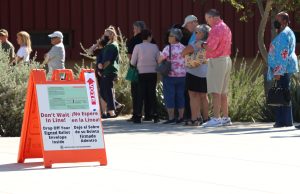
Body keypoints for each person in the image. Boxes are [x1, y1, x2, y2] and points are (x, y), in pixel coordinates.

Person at [201, 9, 232, 127]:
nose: (207, 22)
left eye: (207, 19)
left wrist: (202, 44)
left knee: (215, 91)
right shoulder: (226, 27)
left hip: (217, 61)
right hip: (226, 59)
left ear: (212, 17)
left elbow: (211, 47)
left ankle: (216, 118)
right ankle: (225, 117)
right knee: (223, 92)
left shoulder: (215, 29)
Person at [267, 12, 299, 128]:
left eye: (278, 19)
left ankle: (282, 121)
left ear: (284, 21)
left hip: (283, 68)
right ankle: (286, 120)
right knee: (284, 92)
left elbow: (283, 55)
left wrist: (278, 71)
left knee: (282, 92)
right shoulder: (286, 32)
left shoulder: (285, 34)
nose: (275, 21)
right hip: (285, 67)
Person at [183, 24, 211, 126]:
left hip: (193, 72)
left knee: (193, 96)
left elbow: (183, 52)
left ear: (202, 34)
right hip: (205, 73)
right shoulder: (208, 44)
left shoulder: (195, 44)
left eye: (197, 32)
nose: (195, 34)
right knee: (204, 96)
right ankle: (206, 118)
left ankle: (194, 119)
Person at [131, 29, 160, 123]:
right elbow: (159, 60)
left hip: (141, 72)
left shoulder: (137, 47)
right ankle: (155, 115)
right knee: (152, 94)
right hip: (152, 72)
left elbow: (132, 62)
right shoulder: (154, 47)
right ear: (149, 36)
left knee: (140, 94)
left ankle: (138, 116)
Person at [159, 28, 186, 124]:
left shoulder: (168, 48)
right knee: (180, 96)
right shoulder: (184, 47)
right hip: (182, 75)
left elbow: (160, 60)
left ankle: (171, 117)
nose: (169, 37)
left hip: (170, 75)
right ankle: (181, 117)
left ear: (175, 38)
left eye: (170, 36)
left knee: (169, 96)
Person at [98, 26, 120, 118]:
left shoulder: (112, 46)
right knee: (103, 92)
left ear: (111, 35)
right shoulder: (107, 45)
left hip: (109, 71)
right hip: (105, 71)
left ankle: (112, 111)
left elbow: (108, 61)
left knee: (107, 90)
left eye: (106, 34)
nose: (104, 36)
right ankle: (116, 105)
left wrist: (102, 68)